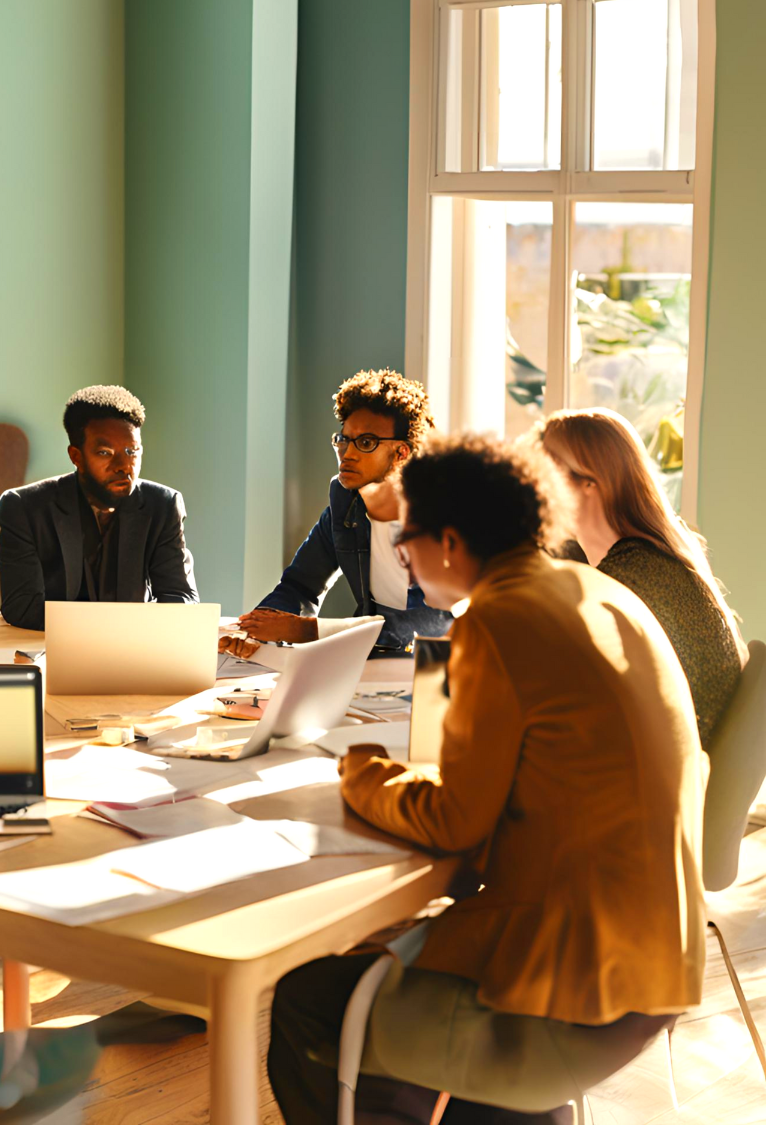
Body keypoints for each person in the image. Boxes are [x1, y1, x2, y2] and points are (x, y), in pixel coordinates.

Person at [268, 435, 705, 1124]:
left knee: (307, 1000)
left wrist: (362, 774)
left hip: (572, 978)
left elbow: (454, 822)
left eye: (405, 535)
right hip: (657, 962)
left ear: (447, 539)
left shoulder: (498, 619)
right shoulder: (596, 591)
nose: (402, 553)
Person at [535, 407, 746, 748]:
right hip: (671, 773)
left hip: (652, 784)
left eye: (545, 472)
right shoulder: (647, 561)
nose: (535, 487)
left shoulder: (632, 577)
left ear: (588, 481)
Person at [225, 368, 452, 658]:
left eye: (366, 442)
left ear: (401, 453)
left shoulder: (441, 515)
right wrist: (254, 631)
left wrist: (309, 631)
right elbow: (300, 586)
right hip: (372, 663)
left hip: (440, 666)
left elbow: (436, 620)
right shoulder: (344, 506)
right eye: (343, 439)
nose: (347, 453)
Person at [0, 385, 198, 631]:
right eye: (105, 452)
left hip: (134, 651)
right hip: (51, 650)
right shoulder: (23, 508)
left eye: (132, 451)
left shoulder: (163, 505)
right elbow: (21, 607)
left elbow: (181, 599)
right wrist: (111, 626)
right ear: (76, 456)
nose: (124, 465)